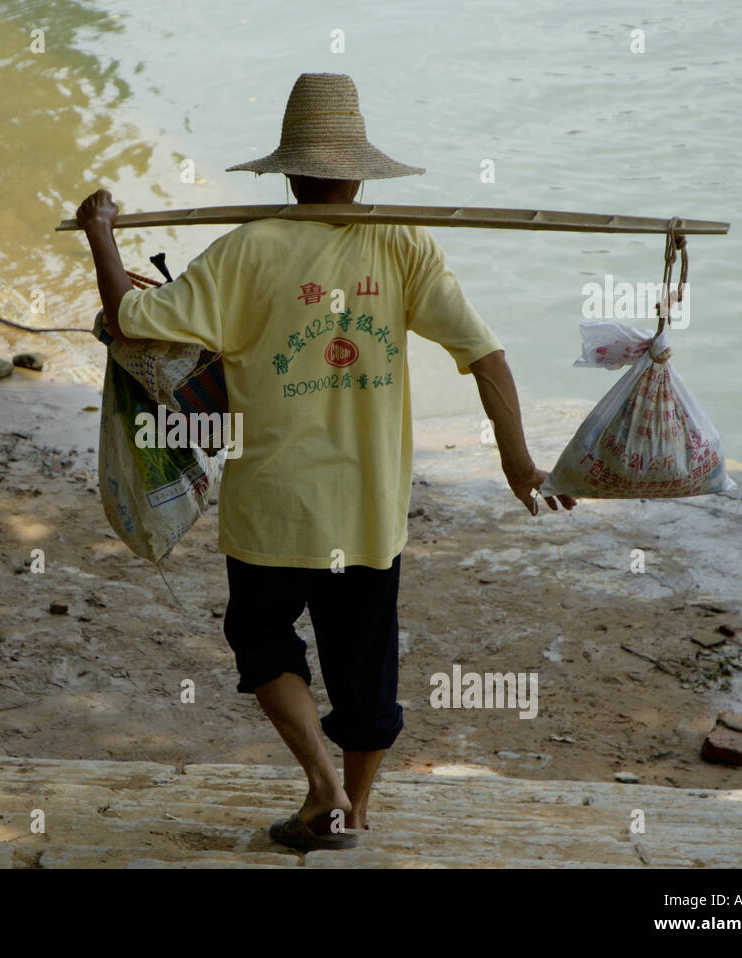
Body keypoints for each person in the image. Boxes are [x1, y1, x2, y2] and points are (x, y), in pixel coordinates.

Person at [75, 72, 576, 851]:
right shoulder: (402, 244)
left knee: (263, 640)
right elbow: (485, 355)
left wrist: (101, 231)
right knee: (366, 676)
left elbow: (129, 322)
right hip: (368, 513)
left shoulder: (248, 250)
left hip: (272, 510)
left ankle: (325, 788)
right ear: (360, 170)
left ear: (287, 170)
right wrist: (520, 462)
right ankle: (354, 808)